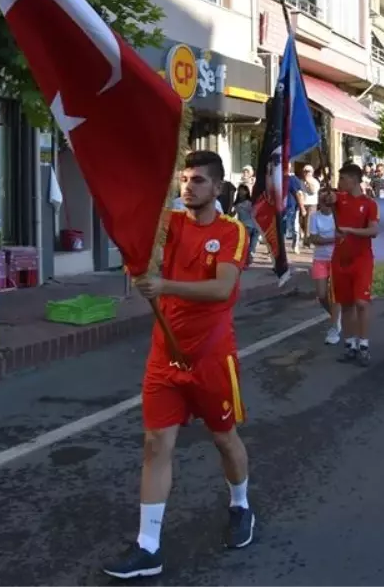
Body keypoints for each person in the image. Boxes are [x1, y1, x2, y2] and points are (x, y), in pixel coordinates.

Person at [105, 151, 254, 579]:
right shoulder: (168, 225)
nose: (188, 187)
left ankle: (240, 504)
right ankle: (148, 546)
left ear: (219, 188)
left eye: (199, 181)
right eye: (185, 179)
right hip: (164, 356)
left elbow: (223, 289)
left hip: (210, 356)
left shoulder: (232, 232)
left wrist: (164, 284)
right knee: (156, 444)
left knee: (224, 440)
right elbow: (138, 250)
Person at [333, 162, 379, 366]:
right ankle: (350, 345)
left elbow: (373, 231)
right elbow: (327, 199)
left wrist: (350, 231)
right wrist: (326, 196)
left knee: (361, 303)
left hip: (362, 258)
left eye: (342, 178)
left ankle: (364, 345)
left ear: (353, 179)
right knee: (346, 304)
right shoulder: (339, 198)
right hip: (340, 258)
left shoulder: (369, 204)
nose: (339, 182)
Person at [308, 186, 341, 344]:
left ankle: (334, 327)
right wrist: (334, 239)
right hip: (320, 259)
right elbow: (314, 239)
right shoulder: (314, 217)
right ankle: (336, 316)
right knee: (321, 295)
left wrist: (324, 240)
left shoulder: (339, 216)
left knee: (334, 294)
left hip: (336, 258)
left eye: (327, 199)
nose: (324, 202)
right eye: (321, 199)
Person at [232, 185, 259, 267]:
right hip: (245, 226)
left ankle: (247, 261)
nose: (241, 192)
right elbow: (233, 214)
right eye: (239, 190)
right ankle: (247, 261)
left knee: (249, 246)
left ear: (247, 192)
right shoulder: (237, 204)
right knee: (246, 245)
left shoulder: (249, 203)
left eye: (243, 190)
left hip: (251, 226)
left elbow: (255, 213)